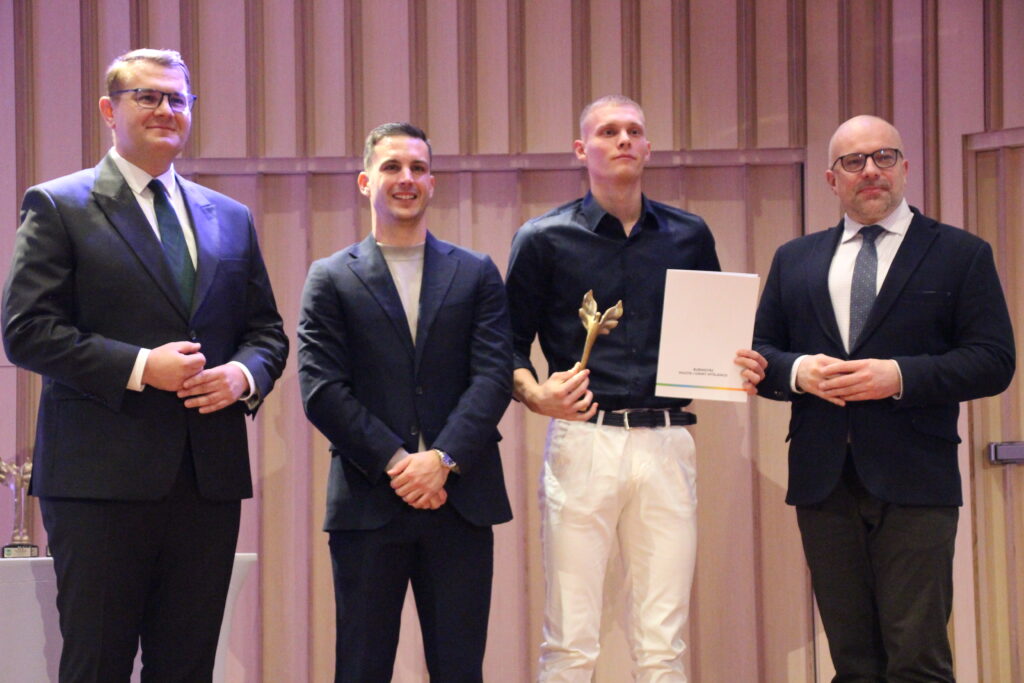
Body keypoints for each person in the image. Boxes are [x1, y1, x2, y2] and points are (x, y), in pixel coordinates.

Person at [1, 48, 288, 681]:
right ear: (110, 110)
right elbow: (26, 331)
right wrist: (139, 366)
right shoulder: (59, 205)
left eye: (177, 99)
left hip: (206, 481)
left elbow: (266, 333)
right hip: (99, 483)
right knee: (97, 664)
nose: (165, 109)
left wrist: (242, 376)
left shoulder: (229, 217)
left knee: (187, 668)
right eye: (147, 96)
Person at [505, 95, 766, 681]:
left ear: (648, 147)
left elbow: (716, 330)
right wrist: (535, 394)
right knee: (570, 641)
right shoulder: (543, 239)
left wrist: (740, 364)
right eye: (608, 131)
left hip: (667, 442)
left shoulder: (689, 235)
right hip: (584, 439)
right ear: (582, 150)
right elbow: (505, 347)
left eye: (633, 131)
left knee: (663, 644)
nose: (623, 139)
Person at [753, 114, 1015, 681]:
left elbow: (994, 361)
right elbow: (761, 354)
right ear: (832, 179)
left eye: (884, 157)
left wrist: (898, 376)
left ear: (905, 168)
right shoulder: (793, 259)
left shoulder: (960, 254)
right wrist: (798, 372)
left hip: (916, 481)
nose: (870, 170)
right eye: (854, 161)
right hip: (824, 482)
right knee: (852, 663)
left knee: (916, 659)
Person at [297, 122, 513, 682]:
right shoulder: (330, 277)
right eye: (392, 167)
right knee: (361, 669)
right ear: (365, 181)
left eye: (418, 168)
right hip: (369, 501)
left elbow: (493, 378)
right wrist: (400, 463)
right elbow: (321, 389)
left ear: (432, 183)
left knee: (460, 670)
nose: (406, 178)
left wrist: (441, 460)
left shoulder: (476, 272)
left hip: (459, 500)